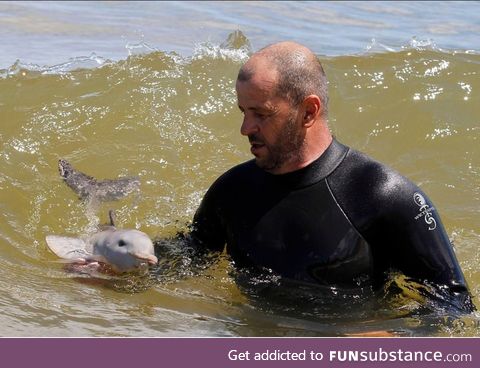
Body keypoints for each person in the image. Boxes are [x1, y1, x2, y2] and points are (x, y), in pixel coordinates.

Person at [190, 41, 474, 312]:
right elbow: (187, 257)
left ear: (308, 112)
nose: (245, 128)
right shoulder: (232, 191)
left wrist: (388, 337)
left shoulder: (385, 196)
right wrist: (148, 256)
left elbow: (454, 306)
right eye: (243, 112)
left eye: (261, 114)